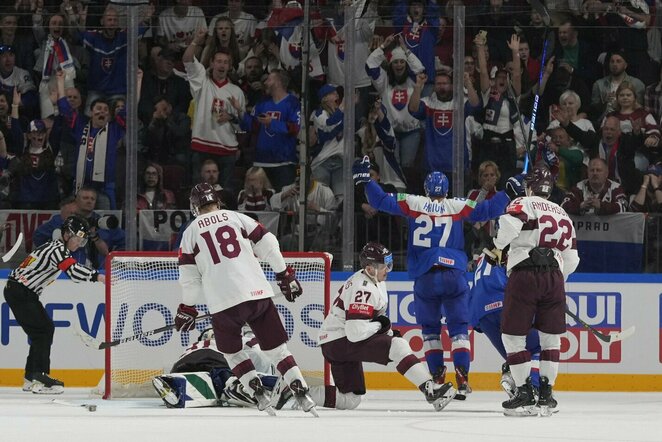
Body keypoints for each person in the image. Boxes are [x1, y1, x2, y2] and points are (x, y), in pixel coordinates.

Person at [352, 155, 525, 400]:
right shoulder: (457, 205)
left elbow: (379, 200)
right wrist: (509, 192)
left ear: (425, 189)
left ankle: (437, 379)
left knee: (430, 330)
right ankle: (463, 379)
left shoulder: (413, 202)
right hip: (454, 275)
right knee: (459, 330)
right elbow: (488, 209)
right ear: (446, 190)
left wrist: (364, 180)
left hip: (425, 276)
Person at [175, 182, 317, 416]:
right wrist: (283, 274)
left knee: (232, 353)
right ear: (217, 201)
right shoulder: (236, 217)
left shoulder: (190, 232)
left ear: (194, 206)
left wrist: (187, 308)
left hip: (224, 304)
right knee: (278, 350)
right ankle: (300, 388)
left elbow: (189, 280)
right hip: (258, 294)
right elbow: (269, 243)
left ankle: (257, 391)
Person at [309, 242, 457, 411]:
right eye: (384, 265)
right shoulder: (363, 289)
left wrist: (383, 328)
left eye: (389, 263)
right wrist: (380, 325)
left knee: (350, 400)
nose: (388, 269)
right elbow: (354, 332)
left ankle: (297, 392)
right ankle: (431, 390)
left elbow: (362, 326)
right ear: (370, 268)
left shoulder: (375, 280)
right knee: (397, 345)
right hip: (339, 342)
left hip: (335, 342)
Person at [492, 165, 580, 417]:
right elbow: (572, 259)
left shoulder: (523, 202)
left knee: (512, 335)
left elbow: (503, 235)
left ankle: (524, 393)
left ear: (529, 186)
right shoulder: (563, 213)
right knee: (551, 339)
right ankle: (546, 394)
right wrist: (554, 278)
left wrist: (499, 237)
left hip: (524, 273)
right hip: (554, 277)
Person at [4, 215, 104, 394]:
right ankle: (39, 376)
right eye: (77, 239)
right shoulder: (58, 250)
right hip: (21, 291)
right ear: (66, 235)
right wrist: (98, 276)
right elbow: (73, 272)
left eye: (82, 242)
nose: (78, 245)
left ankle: (31, 377)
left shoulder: (55, 247)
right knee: (44, 329)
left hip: (19, 290)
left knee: (40, 331)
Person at [469, 248, 541, 405]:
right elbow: (521, 278)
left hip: (482, 313)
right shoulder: (509, 247)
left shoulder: (484, 257)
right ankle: (533, 389)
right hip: (505, 304)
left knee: (516, 353)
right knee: (538, 347)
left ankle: (513, 376)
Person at [152, 327, 285, 409]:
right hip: (214, 360)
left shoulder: (195, 344)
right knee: (226, 383)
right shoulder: (230, 341)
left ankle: (176, 385)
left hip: (181, 365)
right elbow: (258, 352)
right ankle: (243, 387)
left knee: (205, 386)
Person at [561, 158, 628, 215]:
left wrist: (601, 206)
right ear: (587, 173)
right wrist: (580, 206)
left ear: (606, 173)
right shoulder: (579, 187)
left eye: (598, 170)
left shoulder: (616, 188)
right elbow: (563, 206)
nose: (595, 173)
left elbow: (622, 207)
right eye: (592, 170)